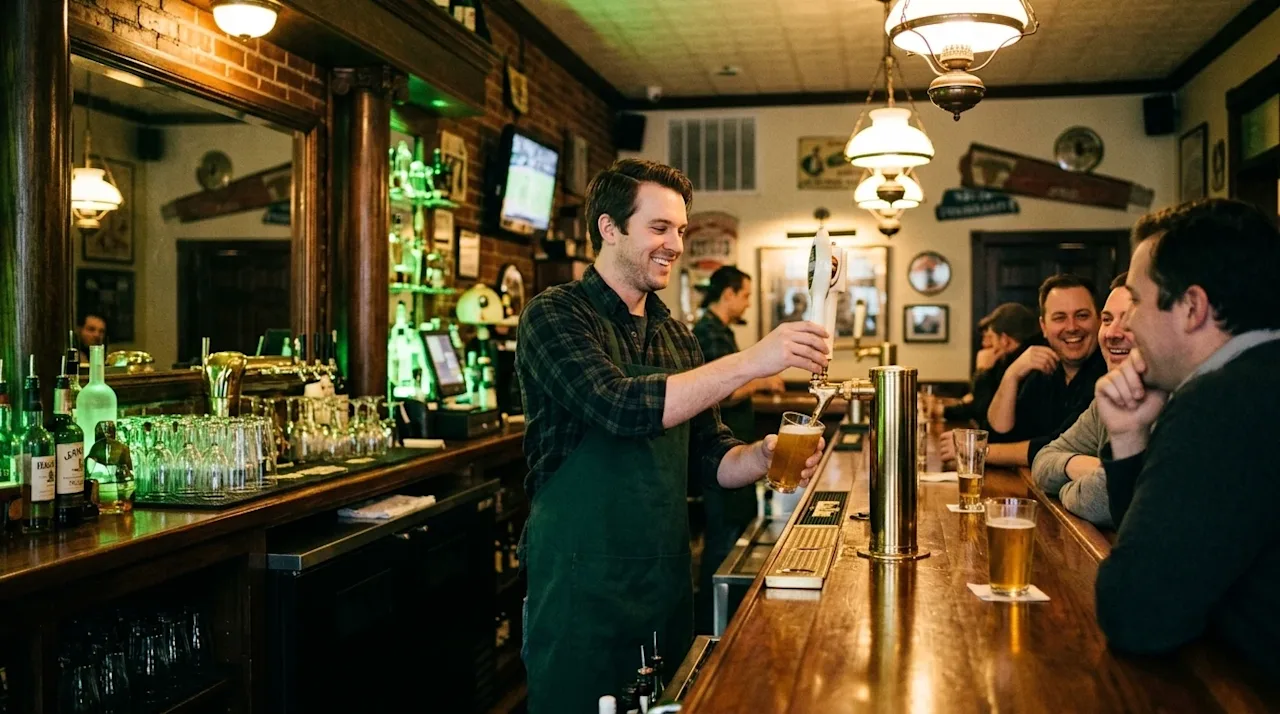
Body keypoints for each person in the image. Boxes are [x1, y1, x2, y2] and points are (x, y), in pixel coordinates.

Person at [515, 159, 831, 712]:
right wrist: (752, 361)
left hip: (662, 580)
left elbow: (708, 457)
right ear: (609, 228)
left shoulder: (676, 338)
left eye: (680, 230)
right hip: (579, 582)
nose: (675, 244)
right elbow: (617, 405)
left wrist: (761, 455)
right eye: (659, 228)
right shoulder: (556, 315)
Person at [1093, 199, 1280, 676]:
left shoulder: (1221, 402)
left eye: (1135, 300)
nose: (1127, 322)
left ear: (1192, 307)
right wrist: (1130, 434)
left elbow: (1136, 613)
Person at [691, 265, 784, 631]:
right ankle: (715, 625)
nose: (747, 303)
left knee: (731, 533)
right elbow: (722, 392)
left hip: (735, 451)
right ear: (727, 294)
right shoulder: (709, 334)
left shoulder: (720, 331)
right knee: (724, 540)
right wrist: (759, 382)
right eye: (745, 295)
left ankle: (722, 620)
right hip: (720, 456)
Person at [1030, 273, 1134, 527]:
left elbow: (1104, 500)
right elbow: (1043, 459)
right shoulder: (1108, 397)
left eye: (1130, 321)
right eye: (1108, 320)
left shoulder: (1174, 397)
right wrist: (1076, 465)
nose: (1112, 333)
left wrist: (1068, 488)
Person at [975, 274, 1107, 467]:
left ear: (1099, 320)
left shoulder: (1107, 373)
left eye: (1082, 316)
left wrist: (977, 451)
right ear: (1044, 327)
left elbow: (1058, 447)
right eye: (1060, 318)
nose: (1071, 327)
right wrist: (1011, 375)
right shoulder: (1045, 370)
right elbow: (999, 435)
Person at [941, 302, 1041, 426]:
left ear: (1005, 340)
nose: (986, 344)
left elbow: (984, 416)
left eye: (991, 337)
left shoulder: (1027, 369)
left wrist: (982, 372)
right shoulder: (1006, 363)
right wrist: (942, 410)